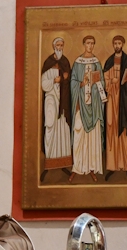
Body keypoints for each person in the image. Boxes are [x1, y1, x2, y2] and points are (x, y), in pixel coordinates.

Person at [70, 35, 107, 182]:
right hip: (81, 105)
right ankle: (78, 167)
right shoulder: (78, 63)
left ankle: (92, 167)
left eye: (92, 43)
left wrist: (95, 84)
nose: (90, 46)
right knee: (79, 136)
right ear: (83, 44)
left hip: (94, 106)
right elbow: (72, 82)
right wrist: (81, 83)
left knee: (93, 138)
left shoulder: (96, 62)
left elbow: (102, 82)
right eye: (87, 43)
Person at [103, 35, 127, 180]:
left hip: (124, 102)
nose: (117, 45)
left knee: (124, 133)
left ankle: (126, 166)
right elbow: (103, 82)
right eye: (115, 43)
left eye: (119, 43)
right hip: (111, 101)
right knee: (111, 131)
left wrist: (123, 81)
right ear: (113, 44)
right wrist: (111, 81)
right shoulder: (109, 61)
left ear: (123, 44)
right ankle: (112, 166)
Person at [41, 37, 72, 171]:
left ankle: (62, 163)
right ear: (54, 46)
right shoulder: (49, 62)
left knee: (62, 129)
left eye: (62, 45)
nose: (60, 47)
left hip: (63, 101)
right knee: (50, 126)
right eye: (58, 45)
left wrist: (66, 78)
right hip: (51, 100)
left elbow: (70, 82)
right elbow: (43, 84)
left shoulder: (65, 61)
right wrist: (54, 80)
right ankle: (49, 162)